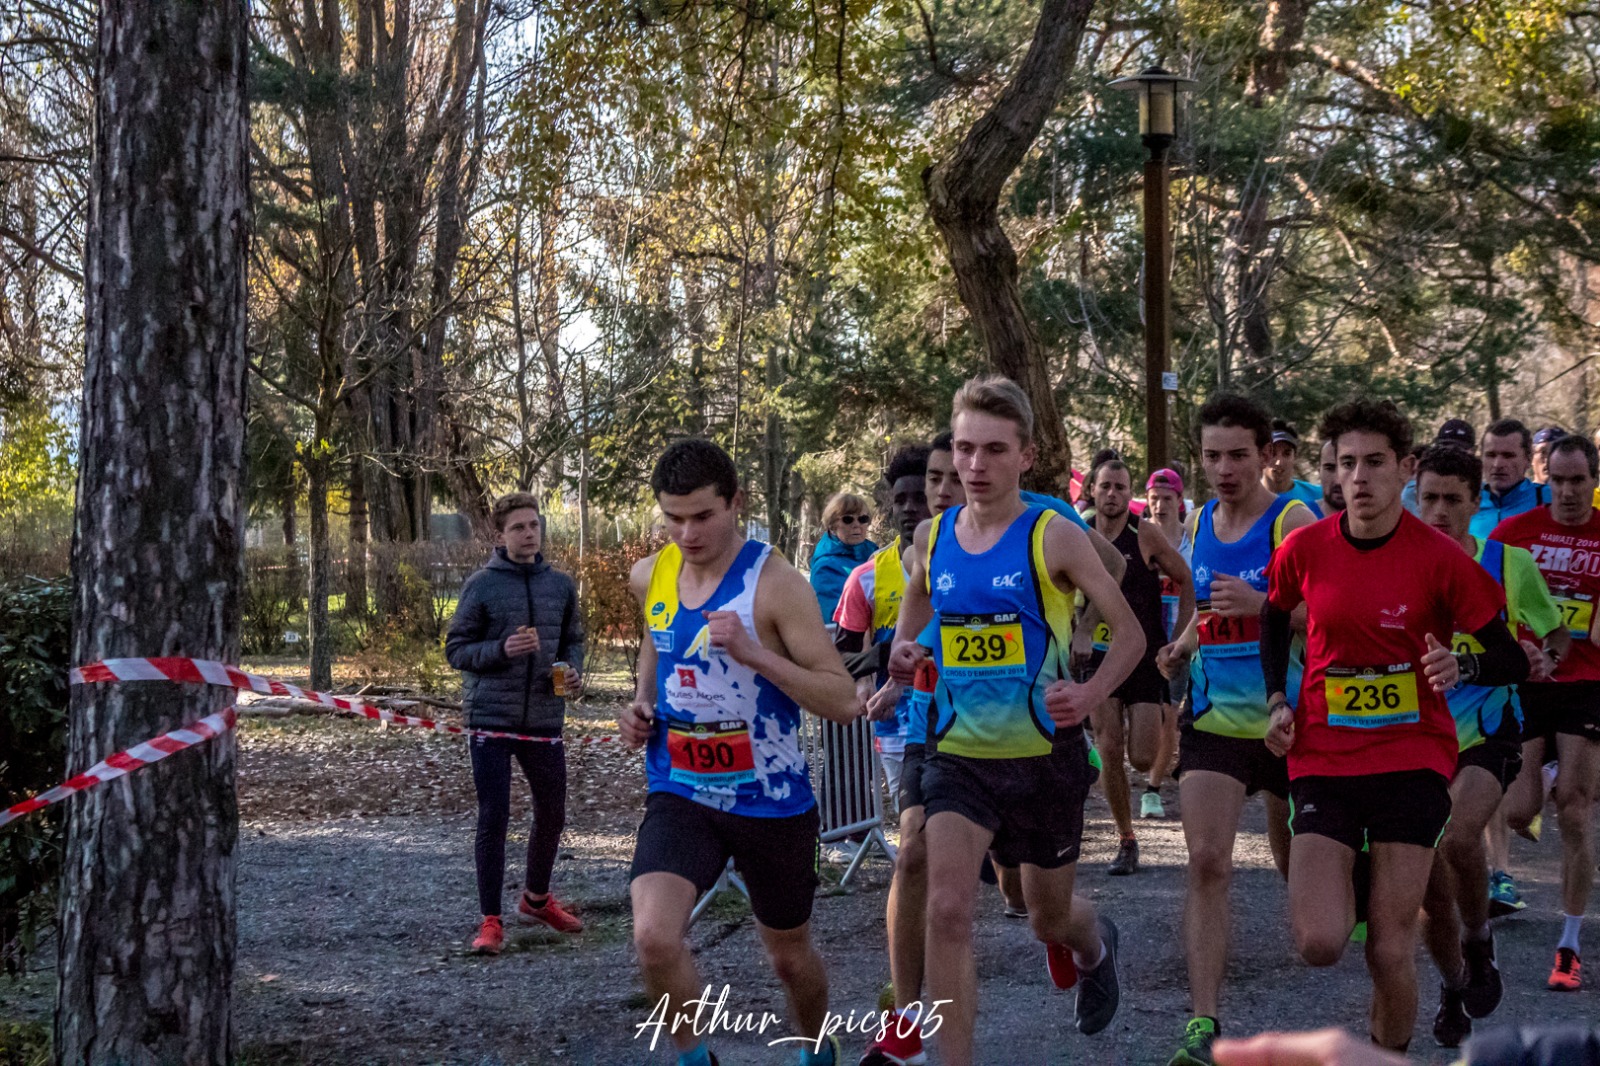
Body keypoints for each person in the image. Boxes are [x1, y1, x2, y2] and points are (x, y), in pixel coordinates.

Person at [887, 375, 1143, 1066]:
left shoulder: (1052, 536)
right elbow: (918, 605)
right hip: (959, 756)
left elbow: (1130, 634)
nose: (975, 466)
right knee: (947, 909)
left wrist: (1087, 697)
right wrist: (905, 651)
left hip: (1043, 758)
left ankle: (1094, 945)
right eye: (965, 449)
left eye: (994, 450)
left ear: (1026, 456)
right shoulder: (933, 537)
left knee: (1045, 916)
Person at [1261, 398, 1528, 1052]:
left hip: (1412, 758)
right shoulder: (1304, 549)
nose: (1358, 478)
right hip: (1323, 757)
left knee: (1387, 947)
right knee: (1319, 941)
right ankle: (1383, 889)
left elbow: (1512, 657)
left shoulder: (1439, 558)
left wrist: (1461, 662)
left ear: (1404, 468)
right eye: (1345, 463)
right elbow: (1273, 615)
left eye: (1374, 462)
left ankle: (1399, 1042)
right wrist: (1276, 701)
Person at [620, 439, 860, 1066]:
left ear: (736, 503)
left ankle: (817, 1049)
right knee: (653, 938)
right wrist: (642, 702)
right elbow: (655, 637)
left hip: (771, 801)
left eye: (703, 515)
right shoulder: (651, 574)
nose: (687, 533)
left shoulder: (776, 586)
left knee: (788, 959)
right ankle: (694, 1057)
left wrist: (755, 654)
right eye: (673, 518)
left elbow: (842, 700)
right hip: (680, 789)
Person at [1158, 394, 1315, 1066]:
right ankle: (1203, 1023)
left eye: (1238, 456)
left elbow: (1335, 614)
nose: (1224, 469)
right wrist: (1183, 645)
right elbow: (1210, 607)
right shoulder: (1198, 524)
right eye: (1212, 456)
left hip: (1291, 719)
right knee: (1206, 862)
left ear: (1265, 456)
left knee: (1303, 878)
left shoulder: (1292, 521)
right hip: (1215, 719)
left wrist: (1265, 605)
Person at [1413, 444, 1567, 1047]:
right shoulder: (1396, 562)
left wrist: (1544, 659)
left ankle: (1478, 941)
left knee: (1457, 838)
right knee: (1427, 878)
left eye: (1453, 499)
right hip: (1412, 736)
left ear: (1476, 503)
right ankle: (1452, 984)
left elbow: (1556, 635)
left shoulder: (1508, 562)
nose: (1440, 511)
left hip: (1487, 730)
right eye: (1429, 497)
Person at [445, 492, 586, 955]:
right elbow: (456, 650)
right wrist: (501, 650)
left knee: (553, 811)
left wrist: (572, 670)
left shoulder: (560, 585)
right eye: (518, 527)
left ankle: (536, 900)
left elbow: (573, 639)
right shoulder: (481, 585)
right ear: (500, 535)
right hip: (490, 719)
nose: (529, 534)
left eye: (534, 525)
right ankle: (490, 921)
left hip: (544, 717)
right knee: (495, 816)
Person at [1491, 433, 1600, 992]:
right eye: (1557, 480)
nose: (1567, 492)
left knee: (1575, 813)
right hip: (1530, 680)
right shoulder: (1514, 535)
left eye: (1578, 481)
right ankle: (1550, 771)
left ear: (1594, 481)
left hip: (1588, 683)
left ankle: (1569, 945)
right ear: (1545, 479)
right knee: (1517, 810)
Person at [1079, 459, 1194, 874]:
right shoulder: (1077, 532)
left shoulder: (1144, 533)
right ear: (1092, 490)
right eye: (1105, 487)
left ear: (1131, 495)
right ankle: (1126, 839)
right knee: (1109, 746)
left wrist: (1178, 640)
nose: (1112, 495)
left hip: (1143, 655)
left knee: (1142, 758)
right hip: (1098, 656)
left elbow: (1187, 580)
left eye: (1121, 488)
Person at [835, 445, 933, 809]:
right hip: (898, 727)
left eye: (920, 498)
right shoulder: (867, 576)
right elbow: (843, 656)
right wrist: (874, 669)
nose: (909, 508)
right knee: (914, 829)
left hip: (965, 720)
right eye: (900, 500)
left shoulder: (967, 563)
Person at [1146, 467, 1192, 809]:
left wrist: (1182, 639)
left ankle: (1152, 788)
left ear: (1179, 501)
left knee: (1169, 713)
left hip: (1182, 637)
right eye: (1154, 499)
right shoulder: (1141, 537)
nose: (1160, 505)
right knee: (1149, 713)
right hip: (1145, 638)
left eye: (1166, 499)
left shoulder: (1193, 540)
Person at [1471, 419, 1548, 540]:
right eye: (1491, 455)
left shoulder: (1549, 498)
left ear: (1528, 459)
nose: (1497, 464)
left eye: (1508, 456)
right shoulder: (1466, 501)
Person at [811, 492, 878, 626]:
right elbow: (835, 620)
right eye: (848, 519)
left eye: (863, 519)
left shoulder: (877, 555)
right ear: (832, 525)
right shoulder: (825, 567)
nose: (857, 525)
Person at [1401, 419, 1474, 514]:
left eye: (1459, 450)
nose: (1451, 455)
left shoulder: (1484, 493)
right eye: (1445, 449)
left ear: (1472, 452)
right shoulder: (1414, 492)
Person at [1262, 420, 1323, 509]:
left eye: (1286, 454)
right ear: (1262, 456)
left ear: (1295, 456)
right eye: (1272, 453)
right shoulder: (1246, 499)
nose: (1279, 462)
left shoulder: (1319, 495)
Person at [1317, 439, 1346, 517]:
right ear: (1319, 471)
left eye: (1347, 466)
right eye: (1330, 468)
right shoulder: (1298, 518)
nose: (1338, 481)